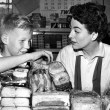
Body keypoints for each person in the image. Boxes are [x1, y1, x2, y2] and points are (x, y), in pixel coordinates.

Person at [56, 2, 110, 95]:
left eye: (76, 31)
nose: (70, 35)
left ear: (93, 35)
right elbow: (57, 92)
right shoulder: (65, 54)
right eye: (71, 29)